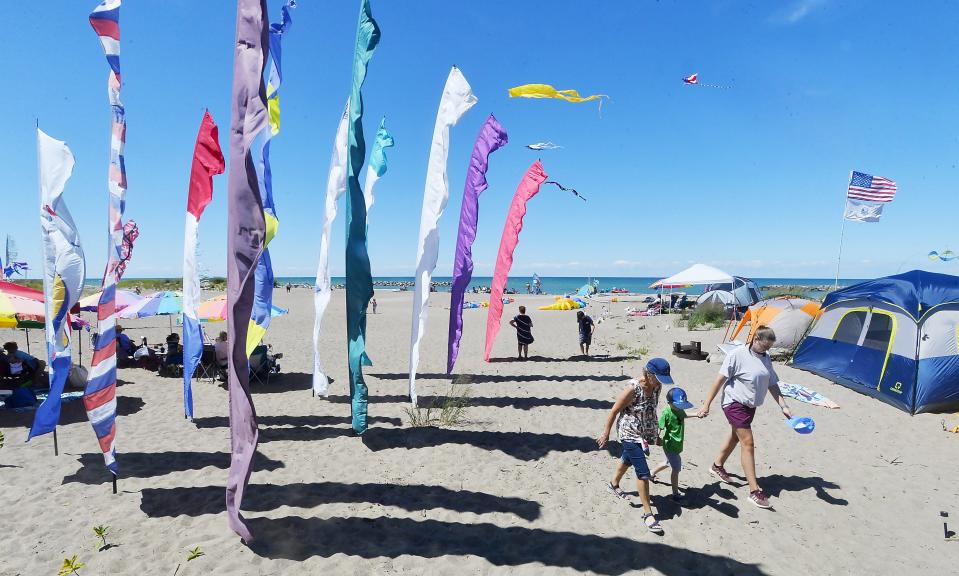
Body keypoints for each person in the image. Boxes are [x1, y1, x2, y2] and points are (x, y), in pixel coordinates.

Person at [698, 326, 793, 510]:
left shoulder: (766, 358)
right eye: (765, 346)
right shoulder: (737, 355)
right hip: (734, 403)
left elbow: (772, 384)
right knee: (747, 442)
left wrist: (784, 406)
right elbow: (719, 380)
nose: (767, 350)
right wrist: (706, 404)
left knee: (736, 436)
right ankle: (754, 491)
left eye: (769, 347)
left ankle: (717, 466)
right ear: (755, 338)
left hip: (750, 406)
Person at [597, 358, 674, 534]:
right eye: (659, 378)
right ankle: (648, 514)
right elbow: (614, 410)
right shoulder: (633, 388)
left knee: (629, 458)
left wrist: (653, 434)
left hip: (643, 431)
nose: (661, 383)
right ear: (649, 374)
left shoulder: (657, 386)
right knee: (643, 473)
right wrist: (606, 433)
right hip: (628, 432)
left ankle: (613, 484)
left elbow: (650, 410)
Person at [650, 387, 699, 503]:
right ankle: (675, 494)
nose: (679, 408)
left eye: (681, 406)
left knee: (667, 462)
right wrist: (656, 438)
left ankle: (651, 473)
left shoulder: (679, 410)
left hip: (677, 445)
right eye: (677, 405)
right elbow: (659, 427)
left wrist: (697, 414)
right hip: (670, 445)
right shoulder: (667, 412)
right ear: (669, 403)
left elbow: (684, 415)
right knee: (676, 468)